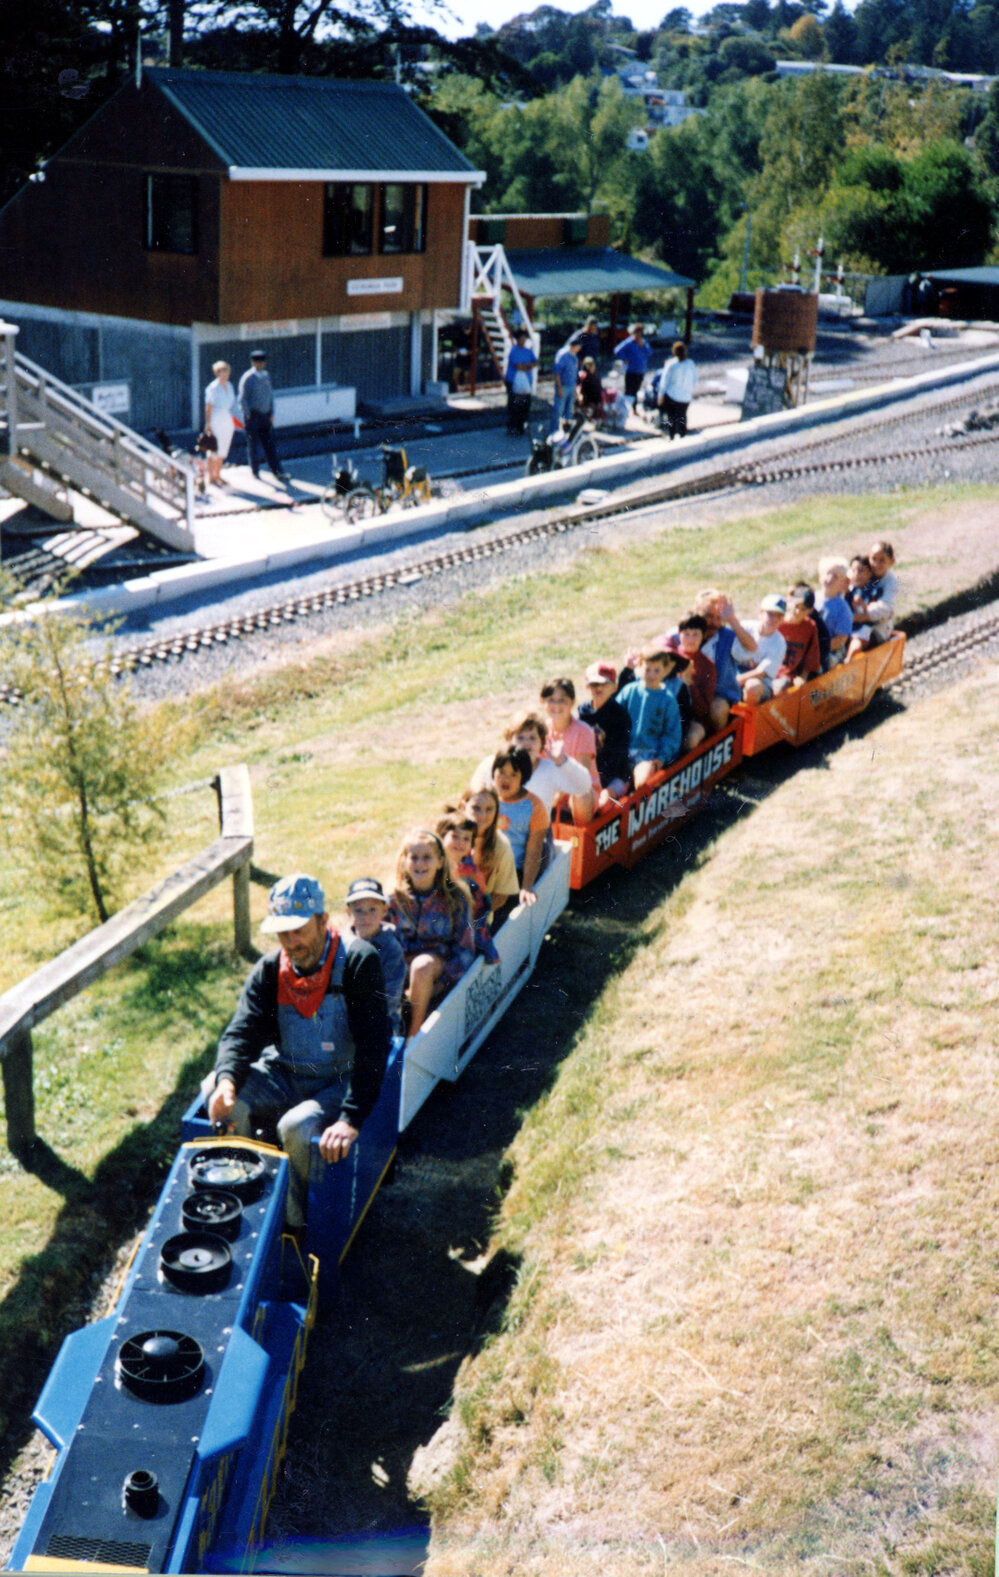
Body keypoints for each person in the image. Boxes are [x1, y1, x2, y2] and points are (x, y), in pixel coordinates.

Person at [204, 874, 391, 1228]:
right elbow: (241, 1030)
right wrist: (227, 1082)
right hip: (286, 1073)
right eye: (283, 932)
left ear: (323, 920)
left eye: (300, 929)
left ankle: (297, 1222)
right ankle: (246, 1198)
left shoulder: (357, 961)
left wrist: (351, 1119)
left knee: (297, 1126)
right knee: (213, 1088)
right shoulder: (272, 969)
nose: (292, 942)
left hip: (338, 1078)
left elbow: (374, 1045)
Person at [386, 830, 475, 1039]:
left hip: (433, 967)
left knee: (422, 966)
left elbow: (466, 951)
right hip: (399, 966)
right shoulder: (392, 899)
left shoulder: (455, 899)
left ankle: (413, 1035)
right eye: (414, 857)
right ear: (404, 862)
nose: (420, 864)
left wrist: (441, 984)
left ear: (440, 861)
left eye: (427, 857)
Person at [345, 876, 406, 1039]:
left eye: (372, 909)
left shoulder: (391, 948)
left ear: (384, 911)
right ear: (348, 912)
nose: (366, 916)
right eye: (359, 910)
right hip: (343, 1020)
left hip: (380, 1022)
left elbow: (389, 999)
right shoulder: (342, 944)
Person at [436, 811, 500, 964]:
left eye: (466, 839)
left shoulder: (470, 870)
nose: (460, 842)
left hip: (468, 917)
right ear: (442, 837)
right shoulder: (435, 863)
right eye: (455, 836)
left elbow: (482, 898)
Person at [616, 649, 684, 787]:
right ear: (639, 667)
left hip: (649, 755)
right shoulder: (630, 690)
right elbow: (614, 715)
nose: (652, 675)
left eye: (657, 670)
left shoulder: (668, 699)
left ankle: (641, 801)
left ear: (665, 670)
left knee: (642, 782)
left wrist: (661, 758)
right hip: (624, 750)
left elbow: (672, 734)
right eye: (648, 670)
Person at [692, 589, 758, 730]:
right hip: (694, 694)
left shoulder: (727, 636)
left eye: (719, 618)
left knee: (717, 709)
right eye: (709, 616)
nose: (715, 623)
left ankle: (717, 743)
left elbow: (751, 648)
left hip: (720, 696)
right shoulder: (688, 633)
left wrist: (731, 619)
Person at [491, 746, 549, 907]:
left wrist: (527, 886)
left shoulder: (533, 805)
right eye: (501, 772)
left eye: (513, 775)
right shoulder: (487, 798)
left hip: (512, 870)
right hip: (486, 866)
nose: (505, 779)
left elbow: (534, 850)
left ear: (523, 777)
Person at [458, 786, 520, 929]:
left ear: (497, 811)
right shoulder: (451, 838)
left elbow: (501, 895)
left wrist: (474, 916)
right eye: (476, 808)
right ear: (463, 806)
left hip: (479, 919)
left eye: (489, 809)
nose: (482, 815)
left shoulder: (502, 845)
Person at [538, 676, 598, 823]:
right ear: (543, 701)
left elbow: (580, 775)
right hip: (551, 791)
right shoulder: (540, 730)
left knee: (581, 793)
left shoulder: (584, 732)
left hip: (580, 790)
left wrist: (555, 795)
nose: (557, 705)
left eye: (562, 700)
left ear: (572, 702)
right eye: (551, 699)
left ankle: (581, 838)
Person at [578, 661, 632, 808]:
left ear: (614, 687)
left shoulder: (619, 715)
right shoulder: (583, 711)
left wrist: (599, 781)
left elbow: (619, 754)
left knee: (602, 804)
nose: (599, 688)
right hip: (589, 771)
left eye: (604, 684)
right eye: (594, 684)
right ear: (587, 686)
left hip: (615, 775)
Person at [665, 614, 716, 750]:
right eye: (686, 634)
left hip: (694, 719)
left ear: (704, 636)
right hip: (668, 713)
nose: (690, 639)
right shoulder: (670, 656)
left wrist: (689, 684)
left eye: (696, 634)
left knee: (691, 739)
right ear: (679, 634)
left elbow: (704, 711)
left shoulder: (708, 666)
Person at [238, 349, 289, 484]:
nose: (260, 364)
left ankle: (278, 472)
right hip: (253, 416)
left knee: (270, 445)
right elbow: (243, 399)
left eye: (262, 362)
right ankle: (255, 472)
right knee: (253, 446)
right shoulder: (248, 378)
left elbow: (270, 396)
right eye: (257, 362)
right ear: (253, 362)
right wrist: (248, 415)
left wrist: (271, 413)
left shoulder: (266, 376)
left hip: (265, 416)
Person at [732, 595, 787, 705]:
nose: (774, 619)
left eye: (779, 616)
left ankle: (748, 718)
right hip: (736, 674)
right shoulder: (746, 627)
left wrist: (732, 682)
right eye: (770, 614)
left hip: (760, 684)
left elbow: (760, 672)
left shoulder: (779, 643)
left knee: (752, 686)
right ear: (760, 613)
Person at [848, 540, 899, 657]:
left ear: (891, 561)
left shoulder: (890, 582)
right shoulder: (866, 572)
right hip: (856, 620)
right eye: (874, 559)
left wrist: (856, 618)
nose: (876, 564)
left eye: (882, 560)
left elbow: (885, 609)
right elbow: (851, 584)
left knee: (856, 640)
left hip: (877, 628)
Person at [774, 589, 822, 693]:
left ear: (810, 611)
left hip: (787, 674)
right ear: (789, 602)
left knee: (778, 687)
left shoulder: (810, 627)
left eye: (803, 609)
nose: (797, 611)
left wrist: (803, 677)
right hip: (769, 670)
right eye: (795, 606)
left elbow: (811, 657)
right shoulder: (777, 621)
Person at [203, 360, 238, 486]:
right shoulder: (213, 388)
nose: (225, 374)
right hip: (216, 419)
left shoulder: (230, 386)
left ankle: (218, 475)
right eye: (222, 372)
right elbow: (208, 407)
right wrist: (208, 424)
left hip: (227, 419)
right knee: (213, 449)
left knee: (223, 448)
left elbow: (232, 404)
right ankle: (210, 477)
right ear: (217, 373)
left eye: (227, 371)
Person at [816, 558, 853, 667]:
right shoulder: (813, 598)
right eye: (827, 573)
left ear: (843, 584)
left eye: (835, 576)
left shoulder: (842, 608)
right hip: (813, 645)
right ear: (819, 577)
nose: (830, 578)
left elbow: (841, 639)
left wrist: (821, 648)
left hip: (832, 649)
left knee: (822, 664)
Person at [658, 341, 697, 439]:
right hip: (685, 397)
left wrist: (660, 395)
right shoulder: (691, 363)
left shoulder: (671, 364)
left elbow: (664, 381)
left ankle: (671, 435)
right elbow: (695, 380)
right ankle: (682, 434)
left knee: (671, 417)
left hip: (672, 395)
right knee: (682, 416)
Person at [505, 328, 537, 435]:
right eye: (521, 338)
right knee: (514, 405)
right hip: (513, 381)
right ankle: (511, 427)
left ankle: (520, 427)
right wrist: (528, 366)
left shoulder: (529, 351)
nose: (523, 340)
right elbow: (519, 366)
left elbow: (536, 362)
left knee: (525, 405)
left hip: (526, 383)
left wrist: (528, 366)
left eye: (524, 338)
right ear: (517, 339)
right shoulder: (514, 351)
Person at [613, 322, 653, 406]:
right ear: (634, 332)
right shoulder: (629, 342)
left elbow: (649, 353)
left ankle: (634, 408)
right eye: (637, 332)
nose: (638, 335)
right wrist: (625, 358)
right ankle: (626, 408)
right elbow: (617, 350)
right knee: (629, 391)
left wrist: (643, 346)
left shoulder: (643, 342)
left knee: (636, 390)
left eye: (640, 333)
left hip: (641, 370)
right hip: (631, 370)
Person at [551, 335, 582, 433]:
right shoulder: (562, 355)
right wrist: (559, 388)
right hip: (563, 386)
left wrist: (576, 390)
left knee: (568, 411)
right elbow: (557, 373)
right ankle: (553, 432)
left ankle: (565, 433)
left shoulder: (575, 357)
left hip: (571, 386)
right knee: (558, 411)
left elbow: (575, 374)